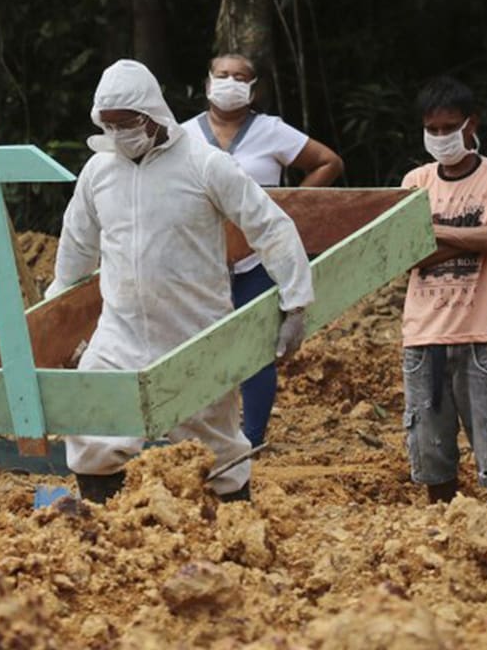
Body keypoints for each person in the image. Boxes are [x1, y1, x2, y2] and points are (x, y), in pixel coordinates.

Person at [46, 59, 314, 504]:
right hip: (119, 334)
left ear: (152, 114)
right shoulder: (99, 172)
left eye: (127, 123)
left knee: (214, 447)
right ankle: (102, 521)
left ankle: (232, 521)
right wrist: (57, 320)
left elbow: (269, 226)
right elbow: (76, 247)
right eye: (109, 125)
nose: (119, 134)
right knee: (93, 422)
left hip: (196, 332)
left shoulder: (204, 164)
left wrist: (296, 301)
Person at [182, 53, 343, 447]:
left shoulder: (271, 131)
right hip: (201, 260)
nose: (230, 82)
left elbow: (328, 162)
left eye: (240, 77)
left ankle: (252, 439)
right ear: (208, 84)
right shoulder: (182, 136)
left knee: (257, 347)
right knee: (198, 349)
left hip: (258, 259)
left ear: (253, 90)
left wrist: (288, 208)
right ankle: (198, 437)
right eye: (223, 75)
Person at [400, 75, 487, 504]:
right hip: (424, 336)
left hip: (482, 334)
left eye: (448, 127)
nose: (440, 137)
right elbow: (403, 256)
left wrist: (432, 233)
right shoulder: (415, 180)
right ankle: (444, 530)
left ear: (471, 124)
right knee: (430, 452)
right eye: (431, 129)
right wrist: (478, 234)